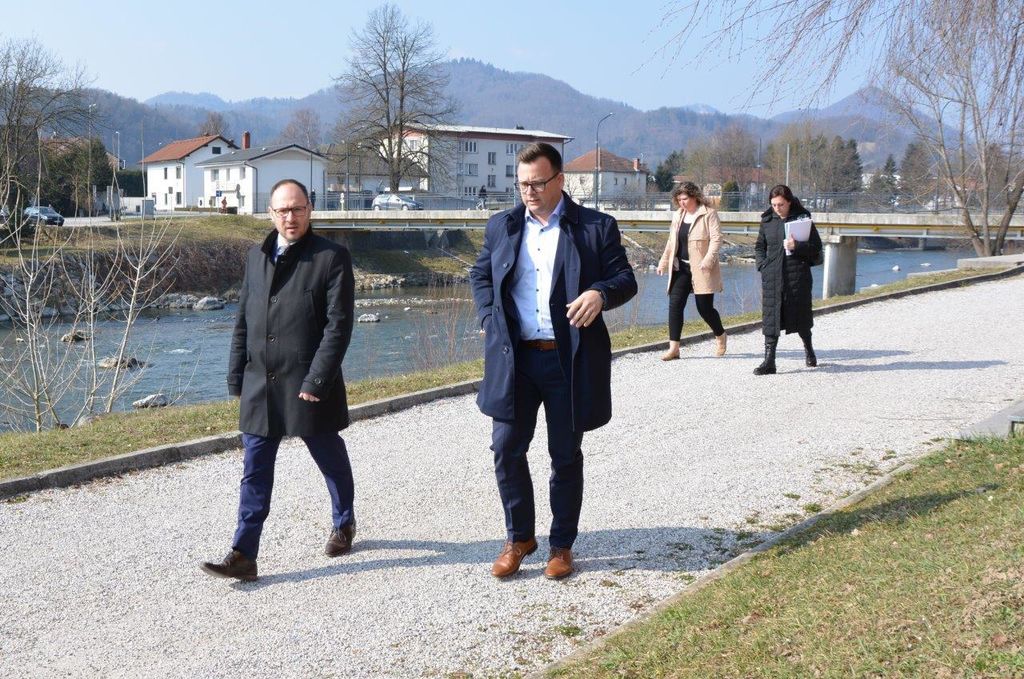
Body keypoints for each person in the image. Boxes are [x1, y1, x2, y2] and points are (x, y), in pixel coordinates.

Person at [470, 142, 637, 580]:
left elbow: (625, 278)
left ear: (560, 180)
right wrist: (488, 316)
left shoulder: (596, 227)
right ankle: (519, 538)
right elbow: (481, 274)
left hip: (569, 360)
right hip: (516, 361)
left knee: (564, 454)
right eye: (523, 184)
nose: (529, 192)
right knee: (506, 449)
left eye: (538, 183)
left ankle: (561, 545)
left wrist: (600, 293)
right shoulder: (502, 226)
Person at [201, 179, 356, 582]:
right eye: (283, 210)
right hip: (260, 385)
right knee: (254, 470)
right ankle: (244, 554)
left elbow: (338, 327)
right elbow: (243, 319)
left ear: (310, 210)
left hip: (308, 384)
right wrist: (236, 375)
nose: (291, 217)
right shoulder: (256, 256)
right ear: (270, 213)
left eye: (297, 209)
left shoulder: (331, 257)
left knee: (329, 458)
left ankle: (344, 521)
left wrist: (318, 379)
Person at [753, 184, 823, 375]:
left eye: (781, 204)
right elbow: (759, 247)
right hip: (772, 276)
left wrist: (797, 246)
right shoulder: (767, 221)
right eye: (774, 204)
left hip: (797, 276)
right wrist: (762, 265)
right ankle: (769, 361)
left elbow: (816, 247)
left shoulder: (802, 219)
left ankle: (809, 349)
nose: (777, 208)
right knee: (770, 318)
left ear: (789, 202)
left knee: (802, 316)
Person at [656, 182, 727, 360]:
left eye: (685, 199)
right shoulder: (678, 215)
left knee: (704, 309)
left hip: (702, 268)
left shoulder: (708, 214)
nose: (682, 202)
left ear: (694, 196)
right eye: (679, 199)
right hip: (681, 268)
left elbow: (716, 239)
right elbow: (671, 241)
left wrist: (708, 260)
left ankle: (720, 335)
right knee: (675, 305)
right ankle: (674, 348)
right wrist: (663, 262)